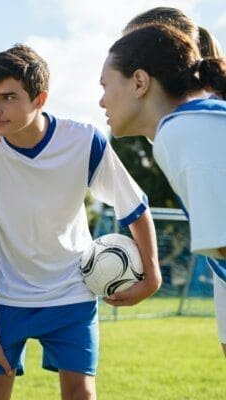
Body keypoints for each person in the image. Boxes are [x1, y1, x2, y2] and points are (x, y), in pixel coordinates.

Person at [0, 44, 161, 400]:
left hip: (71, 290)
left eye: (9, 97)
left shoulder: (84, 142)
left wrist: (152, 274)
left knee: (80, 394)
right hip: (4, 297)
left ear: (39, 98)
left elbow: (134, 206)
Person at [99, 24, 226, 357]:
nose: (101, 100)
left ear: (139, 82)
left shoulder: (180, 133)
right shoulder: (191, 124)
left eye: (105, 85)